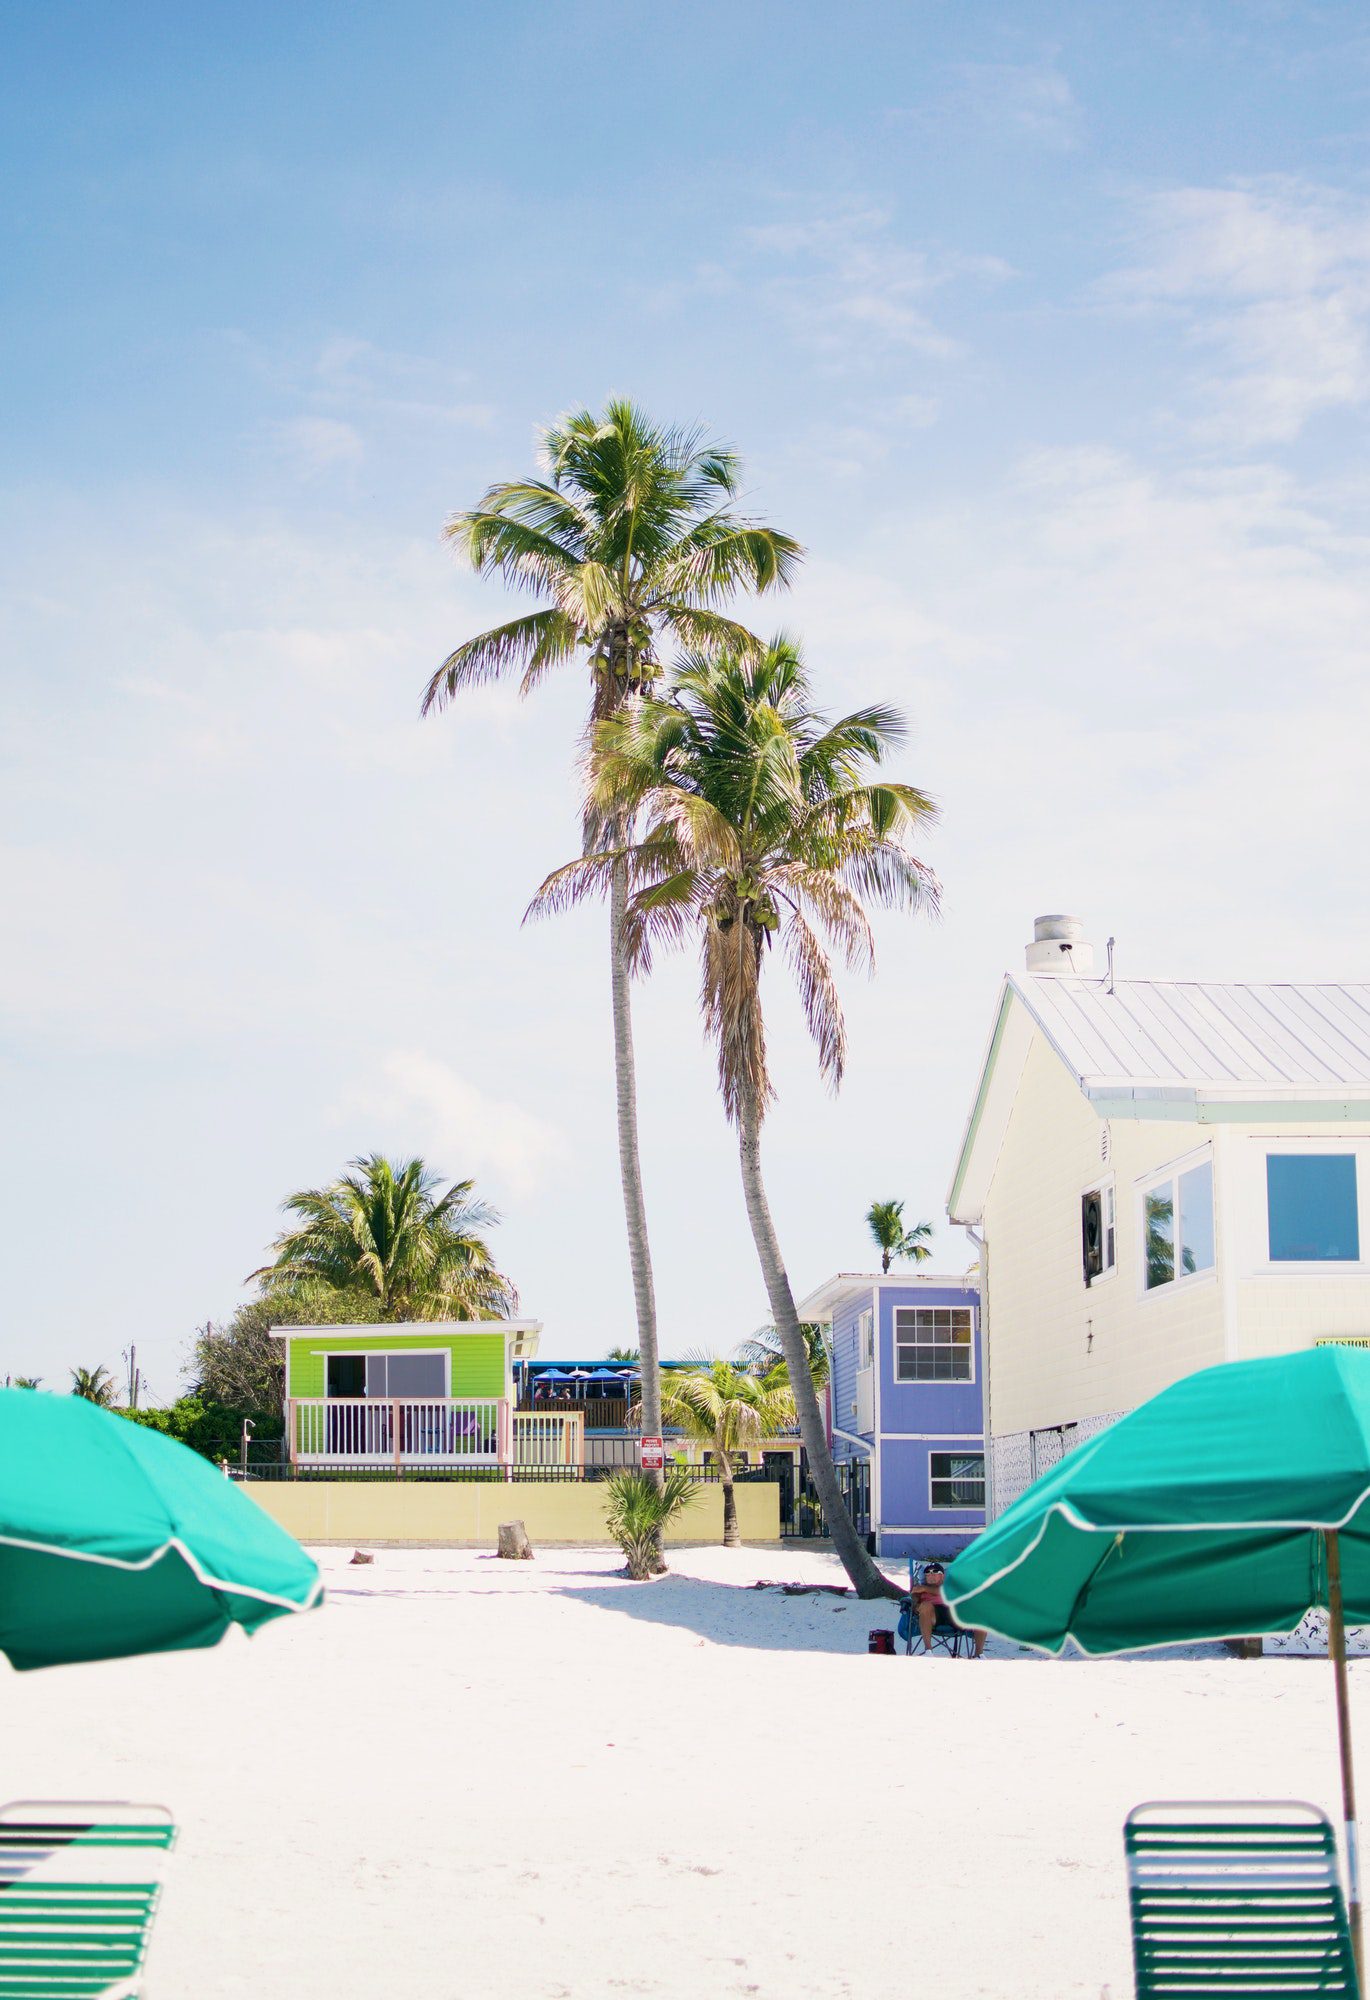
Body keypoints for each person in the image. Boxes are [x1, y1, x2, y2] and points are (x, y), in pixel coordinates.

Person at [913, 1561, 986, 1658]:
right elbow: (913, 1601)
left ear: (943, 1576)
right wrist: (915, 1603)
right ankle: (928, 1651)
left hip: (954, 1612)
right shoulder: (919, 1589)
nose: (931, 1574)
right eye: (928, 1573)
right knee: (925, 1605)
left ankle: (979, 1654)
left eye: (935, 1572)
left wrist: (924, 1589)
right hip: (933, 1615)